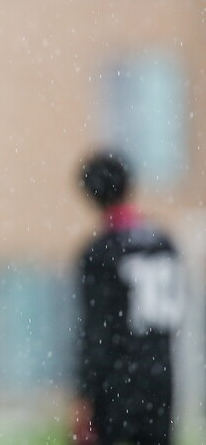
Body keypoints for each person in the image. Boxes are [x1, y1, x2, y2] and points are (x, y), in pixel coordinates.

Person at [71, 150, 184, 445]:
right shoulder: (163, 244)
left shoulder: (100, 253)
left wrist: (84, 394)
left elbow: (96, 330)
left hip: (117, 380)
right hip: (161, 377)